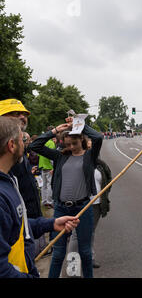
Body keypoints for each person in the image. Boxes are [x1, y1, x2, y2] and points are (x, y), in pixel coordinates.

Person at [0, 116, 79, 278]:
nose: (26, 143)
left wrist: (50, 223)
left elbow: (16, 227)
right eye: (22, 139)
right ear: (11, 145)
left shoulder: (9, 180)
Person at [30, 118, 103, 278]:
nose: (70, 147)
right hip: (61, 208)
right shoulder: (60, 157)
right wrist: (55, 131)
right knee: (57, 253)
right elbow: (34, 145)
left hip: (83, 208)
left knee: (84, 252)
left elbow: (98, 138)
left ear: (81, 140)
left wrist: (80, 126)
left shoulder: (89, 157)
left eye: (74, 143)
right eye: (67, 144)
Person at [68, 138, 112, 270]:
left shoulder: (100, 164)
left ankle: (90, 258)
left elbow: (108, 179)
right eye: (88, 145)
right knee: (76, 235)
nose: (91, 148)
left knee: (91, 232)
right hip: (81, 203)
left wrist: (105, 193)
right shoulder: (77, 162)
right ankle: (73, 266)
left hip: (97, 204)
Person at [38, 126, 56, 209]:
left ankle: (44, 201)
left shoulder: (43, 142)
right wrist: (53, 167)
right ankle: (49, 202)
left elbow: (38, 154)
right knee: (49, 185)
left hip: (42, 166)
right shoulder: (51, 143)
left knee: (44, 185)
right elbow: (52, 156)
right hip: (49, 166)